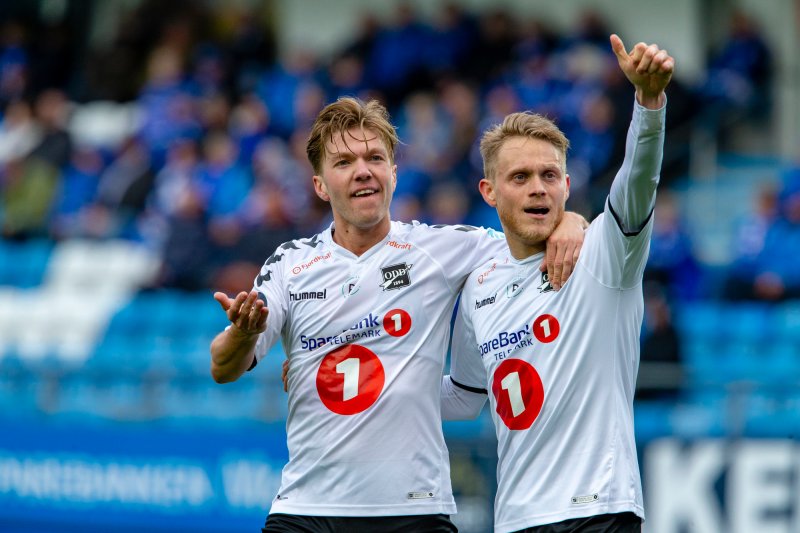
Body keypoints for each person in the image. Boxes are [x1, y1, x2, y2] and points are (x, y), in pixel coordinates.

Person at [209, 97, 587, 532]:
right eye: (344, 161)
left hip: (415, 512)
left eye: (375, 158)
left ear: (393, 173)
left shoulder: (447, 249)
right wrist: (243, 333)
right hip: (306, 511)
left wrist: (572, 220)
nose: (363, 170)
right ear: (319, 185)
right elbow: (223, 366)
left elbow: (530, 229)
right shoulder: (290, 263)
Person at [443, 34, 672, 532]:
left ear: (567, 186)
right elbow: (462, 397)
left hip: (599, 510)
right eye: (520, 177)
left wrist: (648, 104)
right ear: (489, 192)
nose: (537, 188)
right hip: (516, 520)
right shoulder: (478, 286)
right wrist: (367, 382)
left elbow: (637, 180)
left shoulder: (606, 255)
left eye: (549, 175)